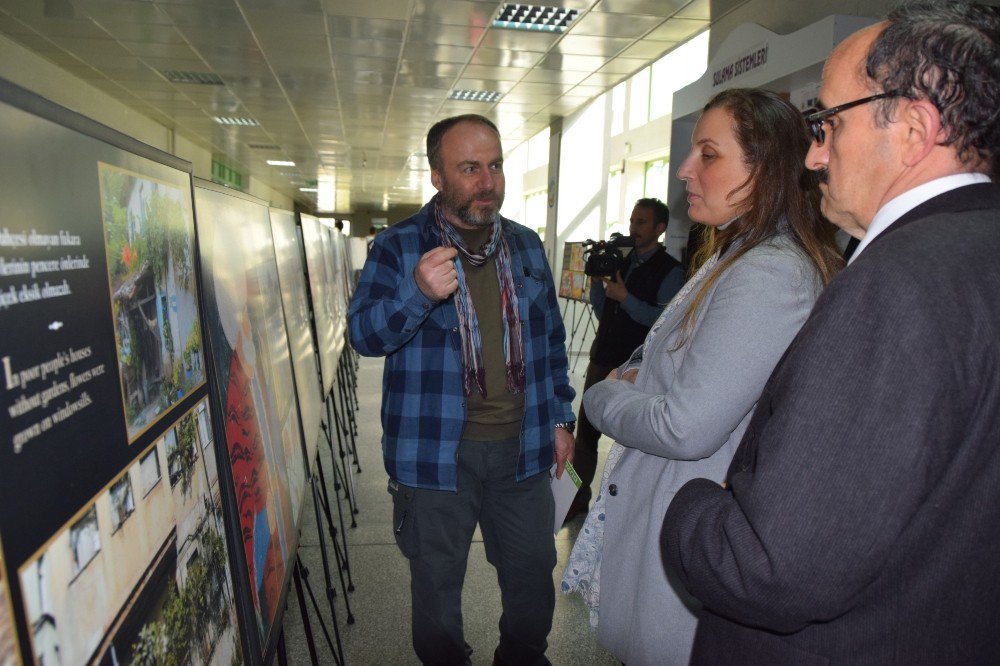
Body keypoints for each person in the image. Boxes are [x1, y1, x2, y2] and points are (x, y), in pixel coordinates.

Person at [663, 3, 1000, 663]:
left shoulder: (894, 284)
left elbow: (771, 567)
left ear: (913, 128)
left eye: (828, 122)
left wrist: (696, 509)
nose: (815, 155)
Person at [562, 88, 843, 665]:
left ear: (763, 169)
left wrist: (600, 397)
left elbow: (682, 426)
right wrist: (640, 373)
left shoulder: (768, 273)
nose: (687, 170)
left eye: (708, 155)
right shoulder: (735, 254)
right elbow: (665, 352)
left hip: (685, 537)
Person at [348, 114, 575, 666]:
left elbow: (549, 340)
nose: (487, 180)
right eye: (470, 168)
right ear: (437, 177)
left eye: (494, 165)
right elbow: (364, 336)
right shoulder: (398, 247)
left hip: (521, 450)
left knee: (531, 576)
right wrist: (418, 295)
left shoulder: (523, 246)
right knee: (436, 587)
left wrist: (561, 418)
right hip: (433, 456)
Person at [569, 198, 685, 519]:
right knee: (585, 437)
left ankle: (624, 510)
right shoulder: (621, 261)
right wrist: (597, 284)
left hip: (637, 369)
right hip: (603, 357)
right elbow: (604, 310)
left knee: (631, 440)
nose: (634, 228)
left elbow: (665, 322)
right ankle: (575, 499)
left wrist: (626, 298)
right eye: (633, 221)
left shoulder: (672, 272)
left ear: (659, 228)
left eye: (642, 222)